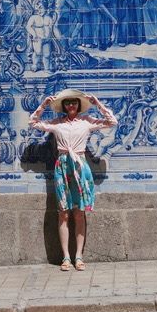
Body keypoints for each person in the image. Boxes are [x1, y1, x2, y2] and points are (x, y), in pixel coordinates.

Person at [29, 89, 117, 272]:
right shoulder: (56, 124)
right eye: (68, 102)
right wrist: (44, 104)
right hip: (62, 167)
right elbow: (33, 122)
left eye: (74, 102)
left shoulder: (86, 122)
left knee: (79, 212)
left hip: (79, 166)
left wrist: (97, 103)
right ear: (63, 105)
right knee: (63, 213)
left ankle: (79, 256)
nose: (71, 105)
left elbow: (112, 122)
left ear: (78, 105)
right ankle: (66, 257)